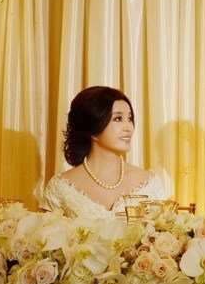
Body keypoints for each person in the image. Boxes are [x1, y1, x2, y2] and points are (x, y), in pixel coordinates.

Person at [38, 86, 168, 218]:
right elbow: (47, 230)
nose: (129, 127)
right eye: (118, 118)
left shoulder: (149, 184)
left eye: (130, 118)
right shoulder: (60, 189)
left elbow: (162, 229)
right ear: (93, 129)